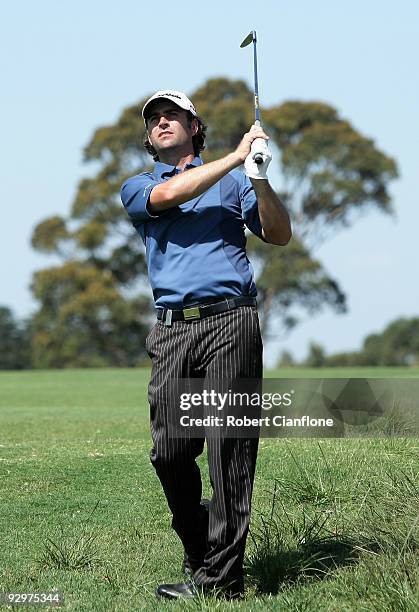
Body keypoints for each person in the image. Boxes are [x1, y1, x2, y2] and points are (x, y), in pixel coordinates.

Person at [120, 90, 291, 600]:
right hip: (172, 331)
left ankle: (220, 581)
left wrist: (258, 179)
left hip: (230, 325)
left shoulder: (237, 182)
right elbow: (167, 199)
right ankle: (203, 556)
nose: (162, 122)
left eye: (172, 115)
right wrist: (236, 157)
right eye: (154, 120)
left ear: (195, 127)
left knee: (229, 454)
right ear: (149, 137)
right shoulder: (139, 186)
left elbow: (279, 234)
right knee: (170, 453)